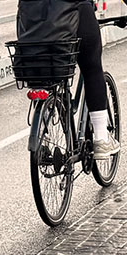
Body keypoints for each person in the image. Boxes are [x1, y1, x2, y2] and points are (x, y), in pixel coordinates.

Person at [17, 0, 120, 159]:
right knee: (92, 67)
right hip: (74, 9)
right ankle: (101, 138)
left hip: (31, 14)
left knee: (39, 61)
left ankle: (43, 139)